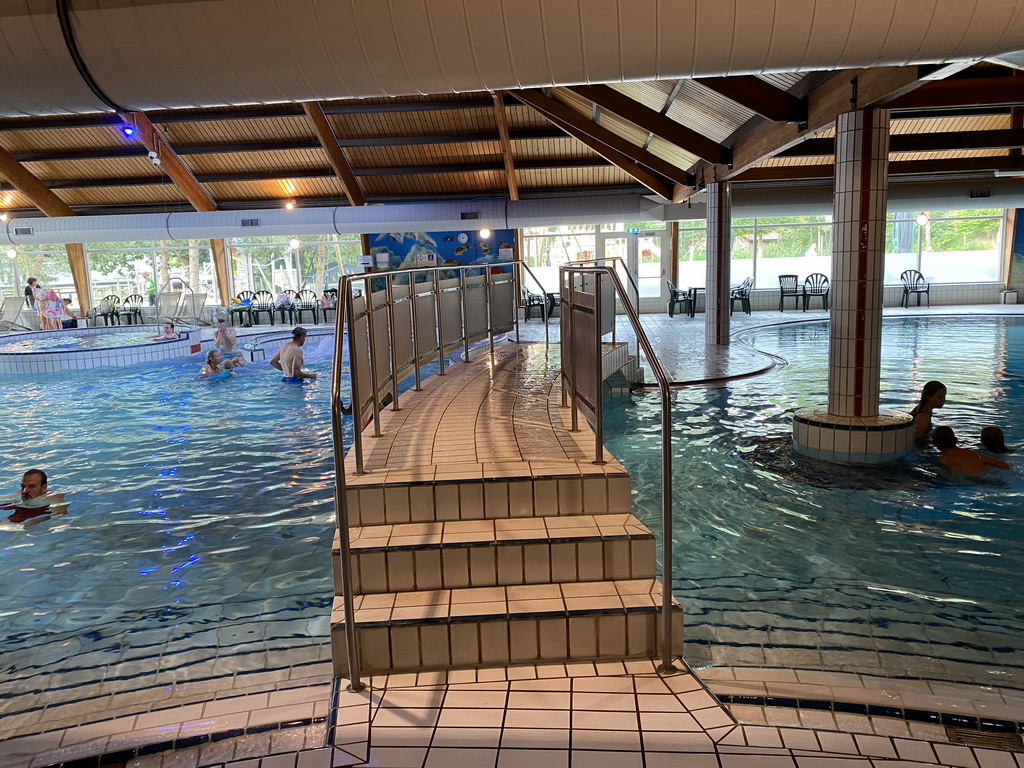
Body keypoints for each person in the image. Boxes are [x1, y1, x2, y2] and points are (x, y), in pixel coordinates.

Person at [933, 426, 1009, 476]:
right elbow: (1000, 464)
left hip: (976, 482)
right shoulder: (971, 453)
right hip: (989, 476)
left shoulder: (944, 458)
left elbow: (957, 472)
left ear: (936, 445)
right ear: (956, 440)